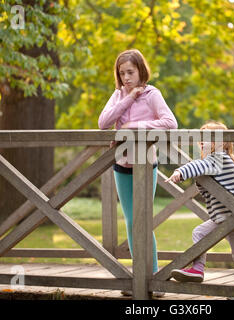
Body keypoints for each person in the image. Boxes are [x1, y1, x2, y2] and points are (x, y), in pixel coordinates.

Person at [98, 49, 177, 295]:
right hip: (121, 166)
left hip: (146, 166)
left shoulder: (153, 94)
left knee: (142, 222)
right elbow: (103, 123)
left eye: (130, 72)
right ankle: (138, 279)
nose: (126, 78)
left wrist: (135, 125)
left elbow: (170, 123)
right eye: (122, 74)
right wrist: (129, 97)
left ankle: (153, 278)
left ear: (140, 70)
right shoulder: (118, 95)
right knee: (132, 222)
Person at [165, 121, 234, 287]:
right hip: (232, 216)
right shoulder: (220, 159)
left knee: (200, 233)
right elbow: (203, 166)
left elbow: (199, 165)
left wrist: (180, 171)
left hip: (230, 215)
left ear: (219, 143)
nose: (201, 141)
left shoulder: (218, 158)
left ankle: (198, 269)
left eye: (206, 138)